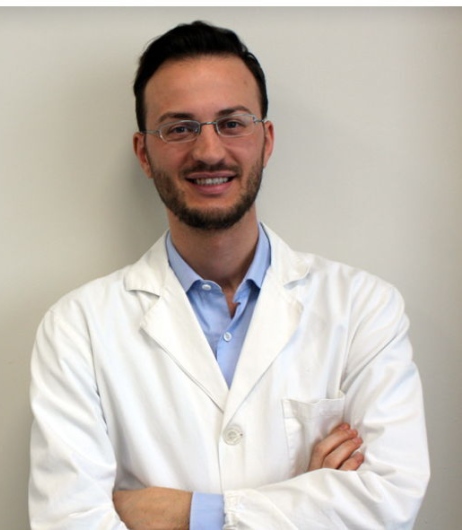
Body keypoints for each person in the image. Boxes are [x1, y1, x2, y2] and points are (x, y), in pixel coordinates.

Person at [29, 21, 429, 530]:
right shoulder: (77, 329)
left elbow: (388, 501)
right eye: (179, 128)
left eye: (232, 123)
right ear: (144, 154)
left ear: (266, 140)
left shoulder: (364, 308)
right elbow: (68, 521)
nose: (209, 151)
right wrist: (310, 499)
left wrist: (183, 513)